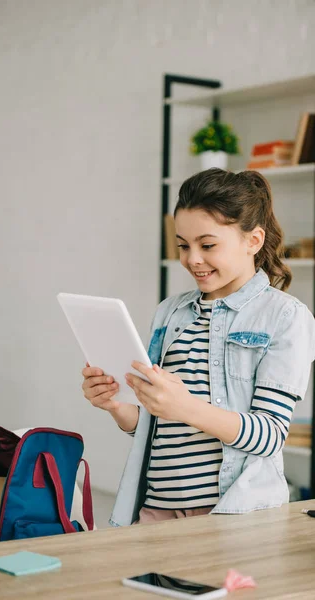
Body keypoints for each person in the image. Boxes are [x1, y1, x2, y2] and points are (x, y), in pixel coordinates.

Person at [82, 168, 315, 527]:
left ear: (253, 241)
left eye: (208, 245)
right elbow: (154, 427)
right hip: (155, 510)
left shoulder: (285, 317)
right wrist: (116, 405)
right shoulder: (169, 312)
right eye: (183, 245)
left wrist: (187, 407)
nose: (192, 259)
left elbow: (269, 436)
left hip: (230, 515)